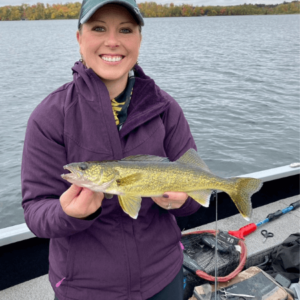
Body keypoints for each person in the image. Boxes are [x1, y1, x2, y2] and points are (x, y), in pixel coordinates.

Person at [21, 0, 201, 299]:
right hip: (85, 289)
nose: (113, 41)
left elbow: (195, 193)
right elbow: (36, 212)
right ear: (80, 38)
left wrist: (179, 201)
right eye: (99, 28)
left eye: (126, 29)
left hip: (164, 276)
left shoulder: (165, 108)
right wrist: (70, 213)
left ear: (139, 40)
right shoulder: (49, 116)